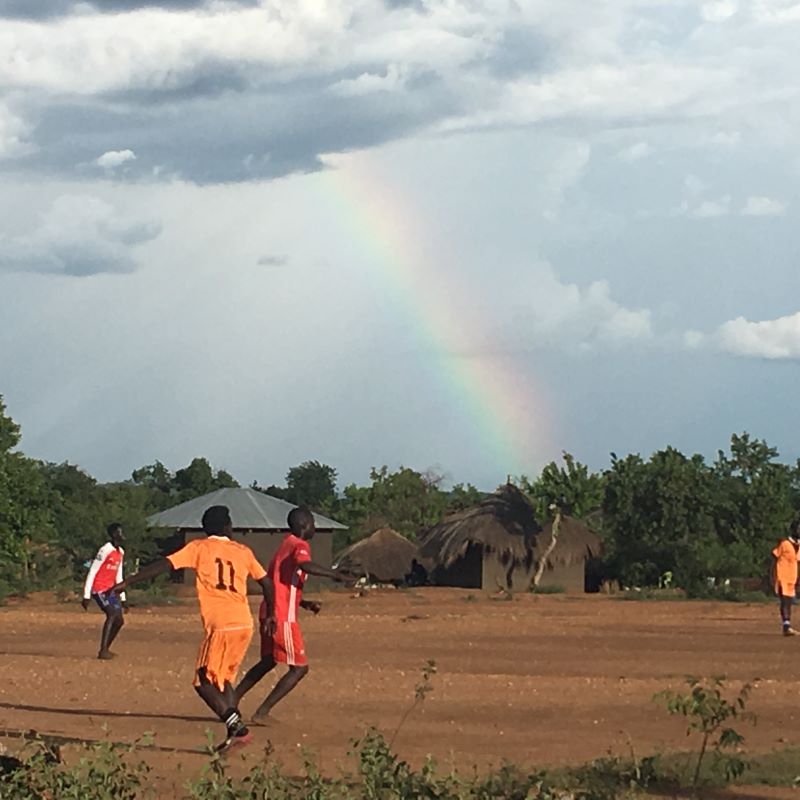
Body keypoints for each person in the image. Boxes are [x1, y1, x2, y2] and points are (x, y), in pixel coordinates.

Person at [110, 505, 274, 752]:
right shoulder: (243, 551)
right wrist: (271, 614)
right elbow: (267, 583)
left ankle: (238, 729)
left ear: (206, 529)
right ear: (228, 527)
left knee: (203, 682)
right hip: (243, 623)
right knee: (224, 681)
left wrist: (129, 581)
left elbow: (165, 565)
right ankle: (233, 731)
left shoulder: (199, 547)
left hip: (220, 624)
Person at [236, 507, 348, 720]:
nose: (315, 528)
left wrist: (303, 602)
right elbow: (304, 564)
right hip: (282, 617)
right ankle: (262, 712)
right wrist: (335, 574)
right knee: (299, 669)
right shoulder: (299, 545)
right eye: (313, 523)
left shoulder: (284, 546)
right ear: (305, 525)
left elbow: (280, 584)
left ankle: (232, 699)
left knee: (268, 660)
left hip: (269, 611)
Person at [82, 523, 127, 660]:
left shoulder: (121, 552)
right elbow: (93, 570)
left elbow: (119, 575)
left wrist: (123, 597)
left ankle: (106, 648)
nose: (122, 534)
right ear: (114, 534)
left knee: (119, 620)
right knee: (111, 614)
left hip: (111, 591)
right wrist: (86, 594)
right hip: (99, 589)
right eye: (119, 532)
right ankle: (103, 650)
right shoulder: (105, 550)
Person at [771, 522, 800, 636]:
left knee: (788, 601)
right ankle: (786, 625)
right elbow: (774, 559)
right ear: (793, 530)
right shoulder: (784, 544)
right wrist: (772, 577)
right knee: (785, 601)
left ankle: (787, 625)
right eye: (798, 529)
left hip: (792, 578)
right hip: (782, 576)